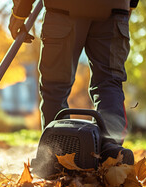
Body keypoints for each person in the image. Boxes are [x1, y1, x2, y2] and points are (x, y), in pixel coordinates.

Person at [9, 0, 139, 165]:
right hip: (114, 7)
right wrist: (129, 5)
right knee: (109, 82)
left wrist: (19, 12)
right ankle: (110, 150)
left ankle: (57, 154)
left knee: (55, 86)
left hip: (64, 7)